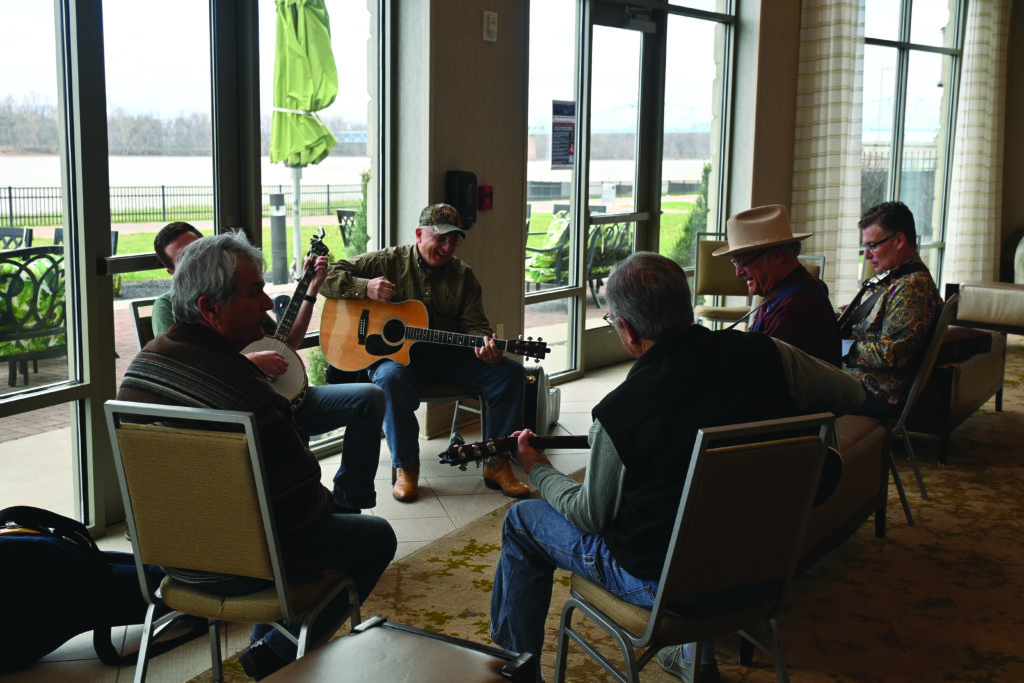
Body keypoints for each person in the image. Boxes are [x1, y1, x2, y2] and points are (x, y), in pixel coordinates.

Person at [488, 252, 866, 682]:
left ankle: (516, 672)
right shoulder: (769, 355)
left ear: (626, 330)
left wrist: (536, 467)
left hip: (669, 590)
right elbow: (851, 396)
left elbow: (589, 516)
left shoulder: (622, 412)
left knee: (522, 520)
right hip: (765, 571)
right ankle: (694, 658)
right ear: (685, 309)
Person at [118, 233, 397, 680]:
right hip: (240, 567)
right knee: (377, 536)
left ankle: (273, 645)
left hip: (167, 561)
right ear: (211, 309)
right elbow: (304, 508)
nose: (268, 302)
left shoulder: (143, 367)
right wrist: (337, 510)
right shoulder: (246, 394)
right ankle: (281, 652)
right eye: (254, 293)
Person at [151, 222, 385, 513]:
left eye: (202, 246)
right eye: (186, 255)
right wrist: (248, 363)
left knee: (370, 398)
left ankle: (349, 500)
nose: (201, 257)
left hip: (288, 397)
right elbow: (185, 365)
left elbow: (285, 344)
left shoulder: (239, 297)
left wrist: (310, 291)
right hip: (248, 405)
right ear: (172, 272)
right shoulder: (169, 306)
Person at [318, 203, 528, 502]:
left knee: (510, 373)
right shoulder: (387, 262)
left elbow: (475, 324)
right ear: (419, 234)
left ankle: (497, 462)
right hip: (402, 362)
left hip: (451, 358)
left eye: (454, 239)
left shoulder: (463, 275)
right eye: (441, 238)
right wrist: (365, 288)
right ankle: (407, 465)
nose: (448, 246)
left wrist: (486, 346)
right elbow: (327, 278)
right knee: (389, 380)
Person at [839, 201, 941, 417]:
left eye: (872, 245)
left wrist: (840, 347)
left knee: (793, 387)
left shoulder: (912, 287)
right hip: (860, 381)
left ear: (899, 240)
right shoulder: (893, 277)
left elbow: (890, 354)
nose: (866, 254)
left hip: (876, 395)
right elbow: (856, 312)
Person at [713, 204, 842, 367]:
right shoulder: (782, 293)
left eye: (742, 263)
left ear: (776, 255)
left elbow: (764, 375)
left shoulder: (797, 307)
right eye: (735, 263)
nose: (738, 273)